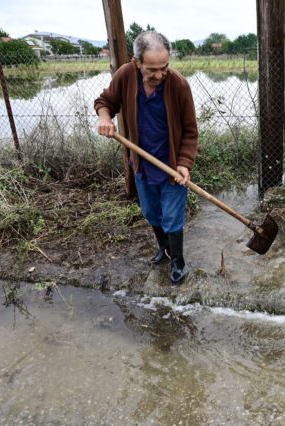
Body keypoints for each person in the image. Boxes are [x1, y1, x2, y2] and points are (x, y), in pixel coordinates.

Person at [94, 31, 198, 285]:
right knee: (151, 212)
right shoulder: (126, 76)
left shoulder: (178, 85)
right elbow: (105, 101)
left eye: (164, 67)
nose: (160, 74)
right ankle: (163, 250)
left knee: (172, 216)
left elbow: (190, 131)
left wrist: (184, 164)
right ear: (137, 62)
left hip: (171, 166)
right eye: (152, 69)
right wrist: (105, 117)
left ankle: (177, 261)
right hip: (141, 164)